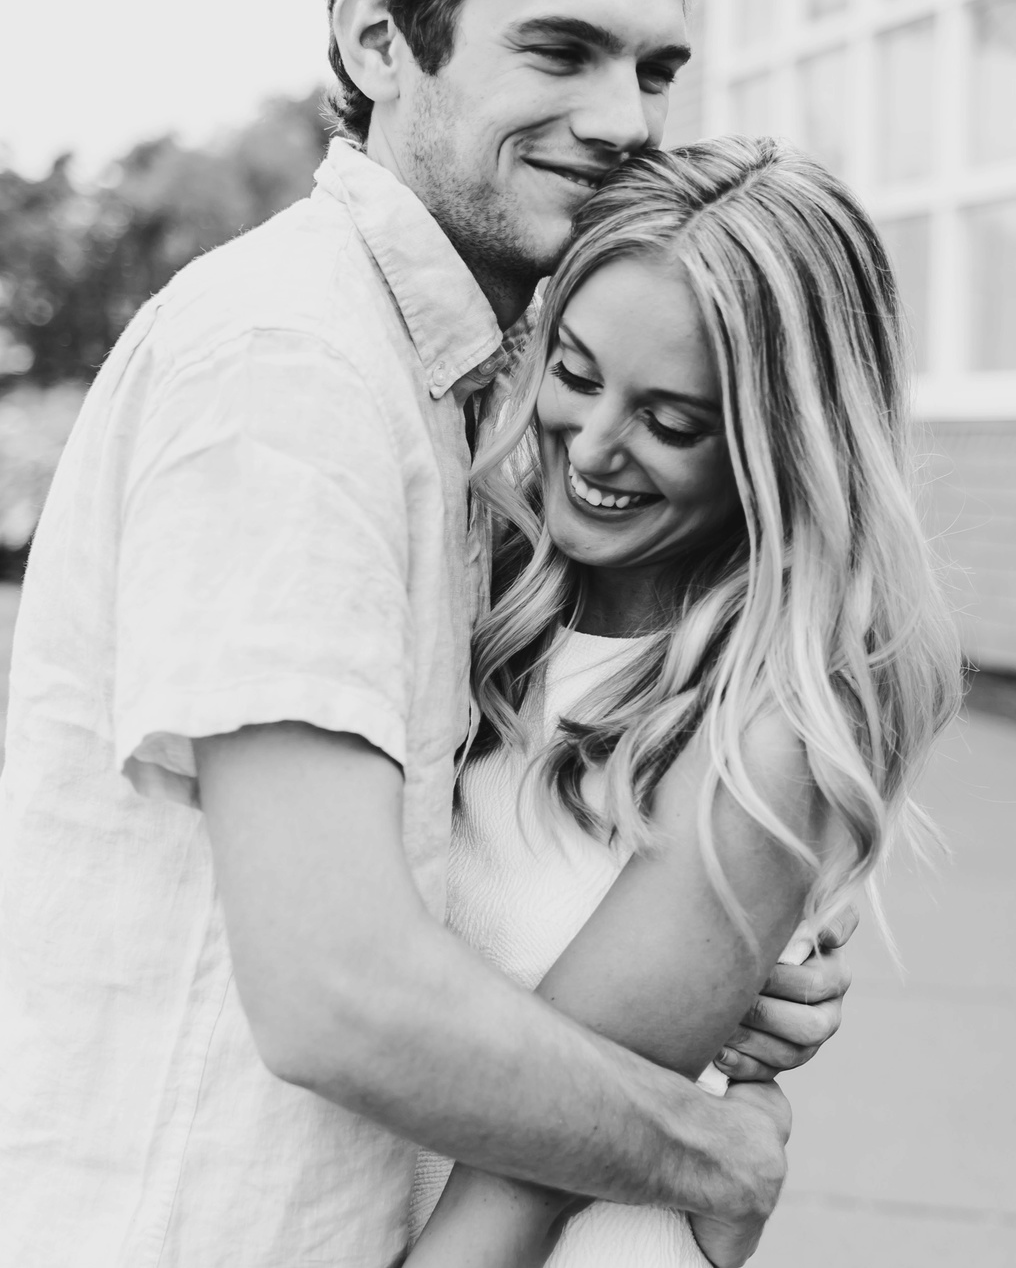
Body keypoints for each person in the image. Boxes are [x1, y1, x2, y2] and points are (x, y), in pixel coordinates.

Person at [0, 0, 852, 1268]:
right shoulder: (293, 365)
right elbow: (338, 982)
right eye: (561, 50)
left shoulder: (443, 379)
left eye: (655, 69)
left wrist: (703, 955)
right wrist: (697, 1143)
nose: (621, 121)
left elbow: (438, 871)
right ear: (374, 40)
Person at [402, 138, 962, 1267]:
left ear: (781, 447)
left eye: (671, 420)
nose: (593, 446)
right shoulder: (472, 592)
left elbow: (526, 1179)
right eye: (574, 370)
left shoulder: (768, 736)